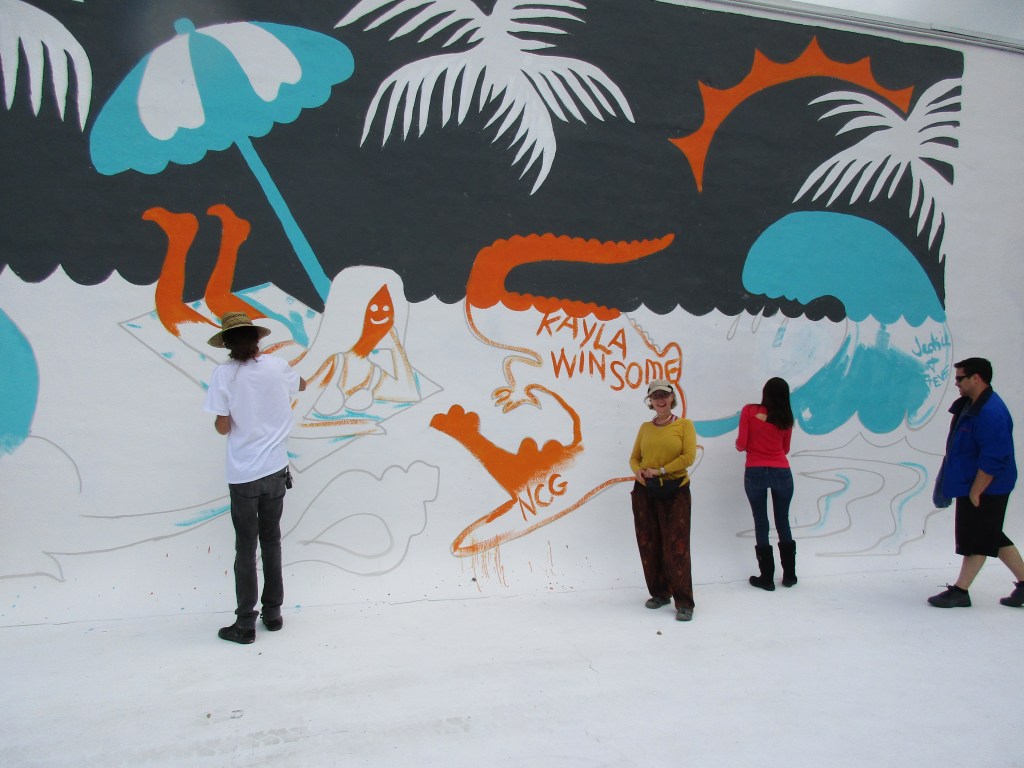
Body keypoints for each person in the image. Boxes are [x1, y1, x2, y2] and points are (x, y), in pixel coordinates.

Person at [203, 312, 306, 643]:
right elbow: (302, 384)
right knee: (271, 541)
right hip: (275, 471)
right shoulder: (277, 366)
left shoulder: (224, 374)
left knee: (246, 547)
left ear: (228, 345)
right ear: (257, 339)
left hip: (243, 474)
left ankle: (245, 623)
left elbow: (222, 427)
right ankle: (273, 614)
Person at [928, 357, 1024, 608]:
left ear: (976, 378)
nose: (956, 383)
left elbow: (995, 457)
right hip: (973, 484)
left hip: (986, 488)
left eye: (960, 378)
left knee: (977, 540)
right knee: (991, 534)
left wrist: (976, 491)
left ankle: (961, 591)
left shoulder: (991, 412)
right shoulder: (972, 405)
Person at [629, 379, 698, 621]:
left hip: (675, 490)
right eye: (655, 396)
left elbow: (688, 457)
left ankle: (684, 602)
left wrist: (660, 471)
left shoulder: (684, 425)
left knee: (677, 546)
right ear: (650, 400)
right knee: (649, 542)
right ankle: (660, 593)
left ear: (672, 398)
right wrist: (638, 471)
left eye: (664, 395)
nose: (660, 400)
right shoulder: (645, 428)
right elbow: (634, 457)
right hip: (645, 490)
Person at [736, 377, 797, 591]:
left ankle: (767, 578)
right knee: (783, 520)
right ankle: (789, 575)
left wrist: (750, 445)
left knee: (761, 521)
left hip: (755, 470)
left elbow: (741, 444)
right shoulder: (786, 417)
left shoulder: (749, 411)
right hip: (782, 471)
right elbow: (785, 449)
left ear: (765, 392)